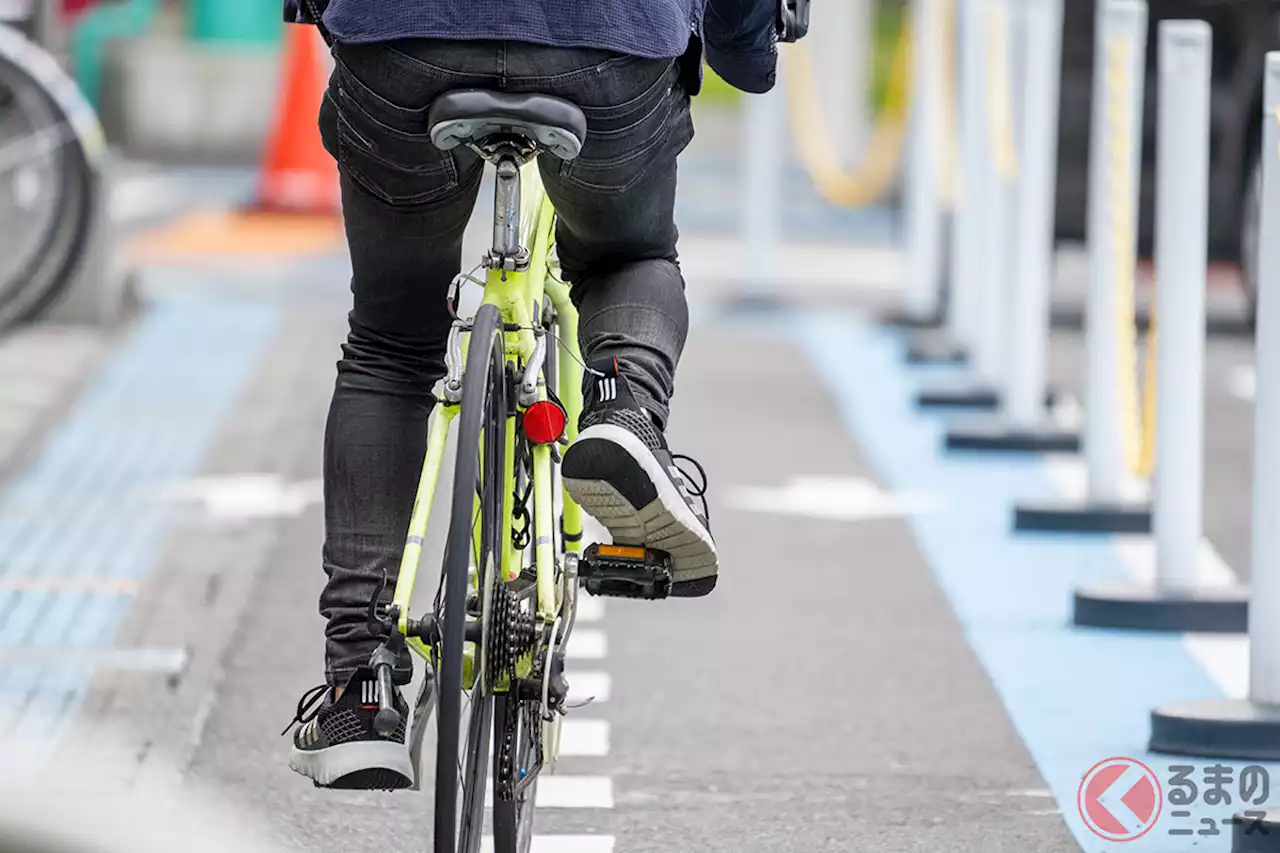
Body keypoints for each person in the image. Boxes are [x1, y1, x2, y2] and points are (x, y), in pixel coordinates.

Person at [280, 0, 782, 791]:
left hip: (405, 41)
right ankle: (623, 410)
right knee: (629, 255)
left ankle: (361, 684)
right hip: (609, 45)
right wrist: (745, 44)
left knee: (392, 339)